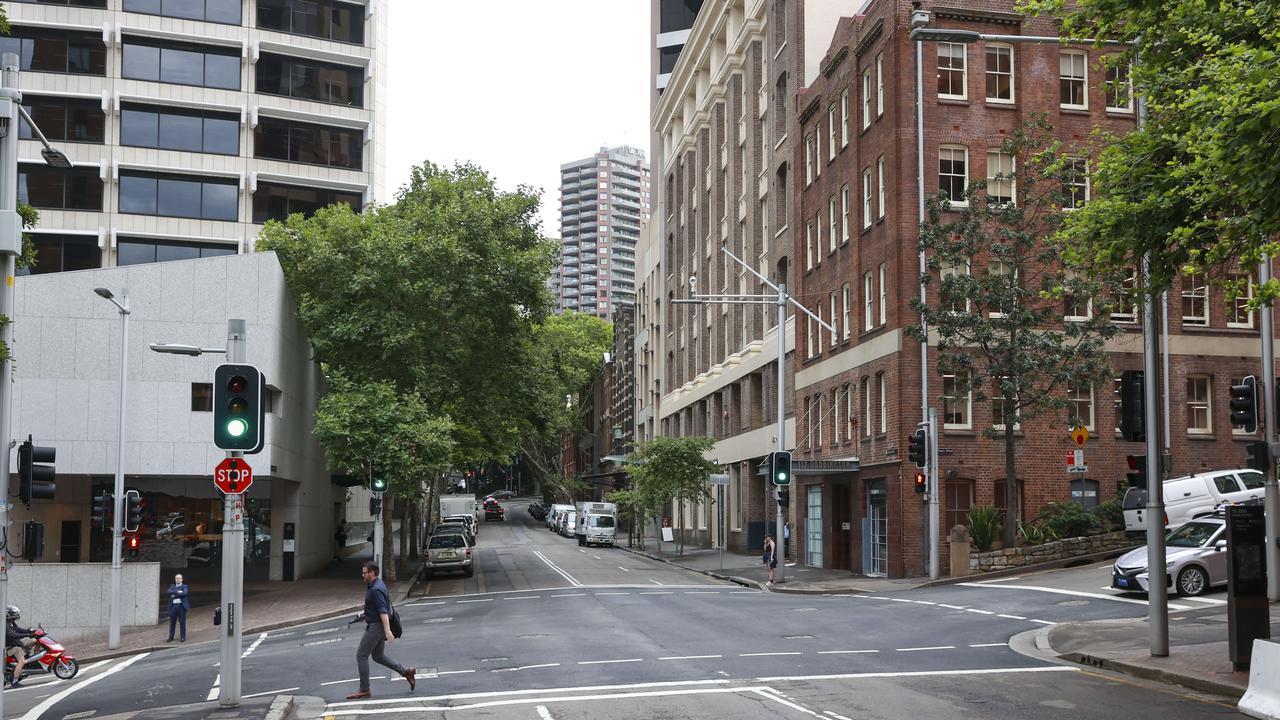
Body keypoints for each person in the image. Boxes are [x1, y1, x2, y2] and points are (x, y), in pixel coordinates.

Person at [348, 561, 415, 700]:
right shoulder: (378, 584)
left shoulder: (375, 590)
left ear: (371, 573)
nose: (362, 575)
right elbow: (377, 607)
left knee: (361, 655)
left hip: (376, 626)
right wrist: (364, 614)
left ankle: (364, 689)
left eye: (364, 572)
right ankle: (406, 673)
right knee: (378, 656)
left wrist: (387, 630)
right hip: (376, 624)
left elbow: (383, 611)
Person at [5, 605, 34, 688]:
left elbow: (18, 629)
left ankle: (33, 661)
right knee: (22, 661)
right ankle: (14, 681)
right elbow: (13, 635)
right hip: (12, 647)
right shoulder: (5, 624)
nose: (16, 615)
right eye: (14, 613)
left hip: (17, 643)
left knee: (35, 641)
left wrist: (29, 631)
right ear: (9, 614)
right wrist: (27, 634)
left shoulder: (11, 622)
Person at [166, 573, 190, 642]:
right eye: (176, 578)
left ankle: (182, 637)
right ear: (175, 579)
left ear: (182, 579)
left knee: (182, 622)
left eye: (179, 578)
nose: (178, 579)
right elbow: (168, 592)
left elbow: (184, 593)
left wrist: (174, 595)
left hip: (181, 606)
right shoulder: (172, 586)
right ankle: (171, 637)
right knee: (172, 622)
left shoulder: (185, 586)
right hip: (173, 606)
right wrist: (178, 592)